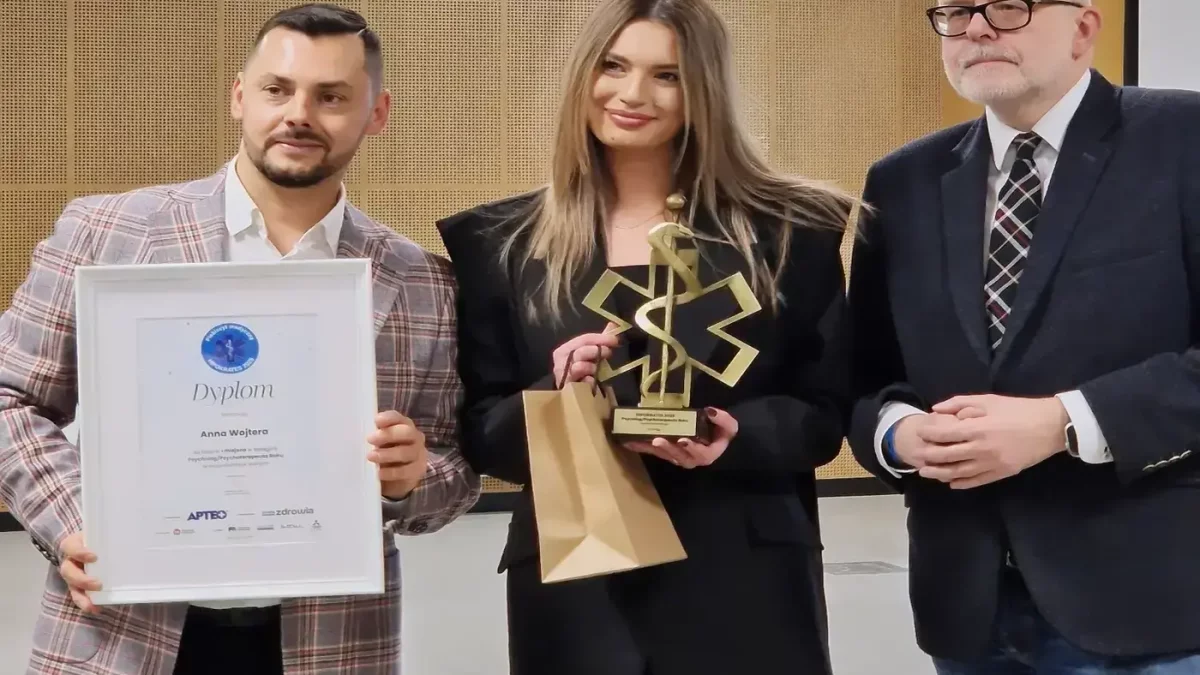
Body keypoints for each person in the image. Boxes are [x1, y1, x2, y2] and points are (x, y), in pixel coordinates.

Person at [0, 4, 479, 674]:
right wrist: (76, 520)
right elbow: (10, 399)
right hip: (120, 635)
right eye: (277, 89)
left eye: (331, 97)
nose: (299, 114)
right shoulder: (107, 233)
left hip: (327, 644)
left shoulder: (422, 282)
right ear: (239, 97)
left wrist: (411, 476)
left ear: (376, 113)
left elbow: (456, 473)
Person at [437, 0, 857, 673]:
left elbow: (825, 412)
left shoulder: (791, 232)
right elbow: (485, 436)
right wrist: (556, 391)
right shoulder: (498, 244)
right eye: (613, 66)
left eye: (667, 75)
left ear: (704, 91)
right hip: (578, 586)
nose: (632, 94)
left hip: (745, 574)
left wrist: (734, 435)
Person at [846, 0, 1200, 672]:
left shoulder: (1185, 139)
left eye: (1010, 7)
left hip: (1148, 604)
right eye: (956, 12)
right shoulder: (902, 181)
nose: (978, 27)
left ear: (1084, 28)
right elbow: (864, 377)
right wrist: (898, 432)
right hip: (967, 609)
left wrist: (1065, 422)